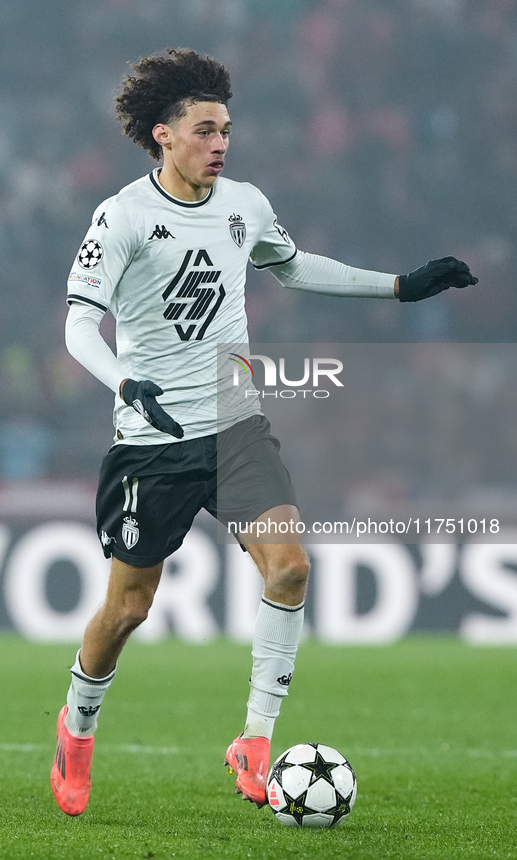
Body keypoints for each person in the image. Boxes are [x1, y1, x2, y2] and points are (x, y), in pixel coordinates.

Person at [50, 48, 478, 816]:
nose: (220, 143)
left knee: (288, 570)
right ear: (162, 135)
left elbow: (291, 264)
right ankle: (76, 729)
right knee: (127, 611)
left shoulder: (243, 203)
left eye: (226, 130)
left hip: (235, 426)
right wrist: (122, 380)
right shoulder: (121, 218)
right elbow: (80, 322)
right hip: (151, 440)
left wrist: (398, 287)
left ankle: (253, 741)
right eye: (205, 130)